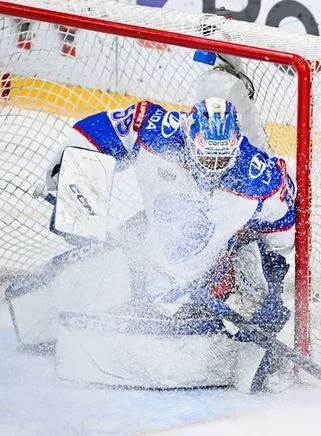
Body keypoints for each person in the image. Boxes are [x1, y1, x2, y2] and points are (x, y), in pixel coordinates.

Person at [41, 95, 296, 392]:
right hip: (148, 257)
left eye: (222, 159)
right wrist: (69, 190)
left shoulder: (259, 176)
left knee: (243, 357)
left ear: (237, 146)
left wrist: (273, 287)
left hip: (215, 278)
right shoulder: (153, 128)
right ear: (188, 137)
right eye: (207, 157)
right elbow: (91, 135)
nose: (213, 166)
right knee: (96, 282)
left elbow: (282, 234)